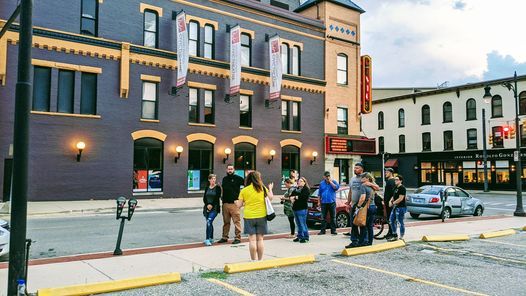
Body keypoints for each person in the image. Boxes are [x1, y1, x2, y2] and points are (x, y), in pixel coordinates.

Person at [236, 171, 274, 261]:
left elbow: (239, 205)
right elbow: (271, 198)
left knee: (252, 240)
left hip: (249, 217)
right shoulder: (263, 188)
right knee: (260, 240)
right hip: (262, 216)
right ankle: (260, 260)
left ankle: (253, 260)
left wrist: (238, 202)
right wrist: (270, 188)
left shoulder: (244, 190)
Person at [346, 163, 379, 247]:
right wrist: (348, 202)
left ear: (362, 169)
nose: (355, 169)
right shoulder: (352, 179)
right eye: (354, 168)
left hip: (363, 206)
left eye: (357, 168)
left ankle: (363, 241)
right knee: (353, 223)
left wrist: (370, 184)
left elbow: (377, 188)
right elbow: (351, 191)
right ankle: (354, 241)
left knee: (362, 223)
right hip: (354, 204)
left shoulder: (365, 178)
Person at [218, 164, 244, 244]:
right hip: (225, 204)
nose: (230, 170)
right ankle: (224, 237)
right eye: (229, 169)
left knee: (236, 221)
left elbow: (247, 187)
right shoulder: (224, 179)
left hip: (234, 204)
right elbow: (223, 190)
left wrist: (242, 200)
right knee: (226, 222)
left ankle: (238, 238)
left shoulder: (238, 178)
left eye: (231, 169)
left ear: (234, 170)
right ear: (226, 170)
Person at [317, 171, 340, 235]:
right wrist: (319, 202)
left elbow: (336, 188)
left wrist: (331, 182)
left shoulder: (334, 182)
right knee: (323, 217)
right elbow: (319, 194)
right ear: (324, 177)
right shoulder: (322, 183)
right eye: (326, 176)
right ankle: (322, 231)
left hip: (331, 202)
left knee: (333, 217)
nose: (328, 177)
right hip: (324, 202)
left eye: (329, 176)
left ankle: (333, 230)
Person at [203, 174, 222, 246]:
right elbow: (204, 198)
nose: (214, 180)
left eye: (214, 179)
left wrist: (211, 205)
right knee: (209, 223)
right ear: (209, 180)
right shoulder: (207, 187)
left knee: (209, 221)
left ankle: (207, 239)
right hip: (206, 208)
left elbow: (217, 197)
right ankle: (211, 238)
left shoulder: (217, 188)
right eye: (212, 179)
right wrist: (207, 204)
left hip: (214, 208)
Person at [290, 177, 310, 243]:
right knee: (298, 224)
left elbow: (303, 197)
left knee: (302, 223)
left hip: (302, 209)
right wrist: (293, 197)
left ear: (304, 182)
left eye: (301, 181)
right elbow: (291, 196)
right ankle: (300, 236)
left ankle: (306, 237)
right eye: (299, 181)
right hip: (295, 208)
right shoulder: (296, 189)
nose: (299, 182)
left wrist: (295, 197)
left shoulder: (306, 189)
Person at [388, 175, 407, 241]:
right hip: (395, 207)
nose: (395, 181)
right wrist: (390, 201)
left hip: (401, 207)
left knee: (400, 222)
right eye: (395, 180)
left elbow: (401, 198)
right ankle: (394, 235)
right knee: (391, 221)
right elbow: (394, 196)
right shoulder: (396, 187)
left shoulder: (402, 188)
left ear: (401, 181)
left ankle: (401, 236)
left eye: (397, 180)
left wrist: (393, 203)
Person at [383, 168, 396, 239]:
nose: (385, 174)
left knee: (391, 219)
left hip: (390, 203)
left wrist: (390, 201)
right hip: (387, 203)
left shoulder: (392, 181)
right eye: (385, 172)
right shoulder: (389, 181)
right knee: (389, 218)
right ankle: (390, 232)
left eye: (387, 172)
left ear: (391, 173)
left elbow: (394, 193)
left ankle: (392, 233)